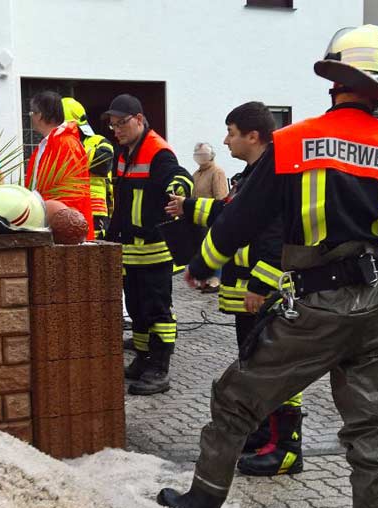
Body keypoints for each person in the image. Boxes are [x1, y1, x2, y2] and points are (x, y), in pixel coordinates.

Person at [155, 25, 378, 508]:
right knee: (373, 428)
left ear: (336, 82)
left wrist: (199, 265)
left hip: (320, 301)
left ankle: (203, 504)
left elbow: (242, 219)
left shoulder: (294, 142)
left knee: (235, 397)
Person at [165, 101, 303, 477]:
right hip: (248, 295)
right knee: (255, 367)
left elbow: (275, 238)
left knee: (275, 368)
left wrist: (260, 286)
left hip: (263, 295)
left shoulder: (273, 178)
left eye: (231, 132)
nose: (225, 140)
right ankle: (263, 434)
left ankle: (287, 448)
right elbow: (231, 214)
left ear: (252, 136)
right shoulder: (253, 175)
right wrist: (189, 206)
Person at [106, 93, 194, 396]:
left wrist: (178, 192)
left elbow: (179, 176)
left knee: (158, 310)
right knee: (137, 309)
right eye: (113, 125)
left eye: (122, 123)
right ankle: (143, 360)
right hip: (130, 249)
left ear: (139, 120)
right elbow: (121, 202)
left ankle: (159, 367)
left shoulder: (158, 152)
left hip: (154, 249)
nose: (116, 130)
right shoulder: (123, 154)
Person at [24, 91, 94, 241]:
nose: (30, 117)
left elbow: (69, 195)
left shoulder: (66, 144)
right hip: (49, 224)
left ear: (40, 115)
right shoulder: (48, 144)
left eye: (31, 113)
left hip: (66, 229)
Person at [62, 97, 116, 240]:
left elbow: (102, 164)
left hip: (95, 214)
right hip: (67, 212)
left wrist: (69, 152)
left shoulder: (99, 142)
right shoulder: (53, 146)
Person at [191, 142, 230, 292]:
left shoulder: (216, 172)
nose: (200, 158)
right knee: (202, 250)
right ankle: (204, 279)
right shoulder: (197, 173)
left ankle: (215, 281)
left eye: (203, 155)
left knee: (214, 248)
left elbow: (221, 197)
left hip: (211, 218)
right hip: (198, 219)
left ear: (211, 155)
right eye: (198, 154)